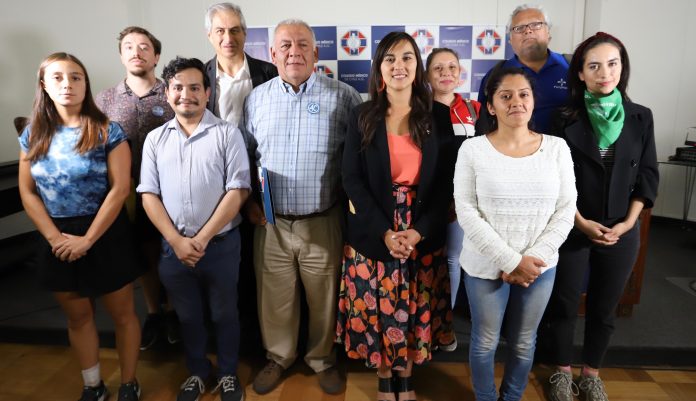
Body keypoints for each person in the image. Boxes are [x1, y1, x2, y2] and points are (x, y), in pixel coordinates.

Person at [241, 19, 362, 396]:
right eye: (286, 45)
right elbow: (245, 157)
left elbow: (356, 160)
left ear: (316, 52)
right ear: (272, 54)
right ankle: (278, 357)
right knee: (274, 298)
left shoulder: (344, 97)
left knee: (324, 298)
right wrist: (248, 204)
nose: (294, 51)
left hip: (322, 220)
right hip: (271, 222)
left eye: (302, 45)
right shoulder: (256, 98)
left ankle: (322, 359)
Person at [337, 31, 455, 401]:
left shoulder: (438, 115)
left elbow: (446, 184)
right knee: (380, 306)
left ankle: (405, 377)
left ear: (417, 66)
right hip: (375, 228)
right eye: (389, 59)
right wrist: (386, 232)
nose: (398, 66)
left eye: (406, 57)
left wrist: (418, 232)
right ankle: (385, 376)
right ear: (379, 68)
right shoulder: (362, 115)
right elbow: (351, 179)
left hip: (423, 228)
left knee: (413, 304)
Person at [18, 52, 142, 401]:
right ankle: (93, 386)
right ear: (44, 84)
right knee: (79, 317)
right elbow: (28, 192)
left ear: (85, 84)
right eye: (58, 77)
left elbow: (121, 188)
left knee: (122, 314)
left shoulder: (107, 129)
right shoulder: (33, 134)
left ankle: (129, 383)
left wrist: (88, 239)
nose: (67, 84)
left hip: (105, 232)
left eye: (75, 77)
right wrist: (54, 236)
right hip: (56, 236)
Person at [543, 32, 658, 401]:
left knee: (604, 308)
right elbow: (554, 178)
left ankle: (591, 372)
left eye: (612, 64)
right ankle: (561, 371)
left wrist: (627, 224)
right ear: (580, 73)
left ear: (622, 68)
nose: (604, 72)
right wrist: (577, 220)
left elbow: (648, 176)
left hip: (622, 228)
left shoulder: (641, 116)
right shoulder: (562, 118)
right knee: (563, 304)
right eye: (593, 65)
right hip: (571, 225)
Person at [454, 67, 576, 401]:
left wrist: (529, 261)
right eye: (505, 96)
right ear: (491, 106)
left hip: (540, 266)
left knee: (524, 340)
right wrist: (510, 260)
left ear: (533, 101)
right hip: (485, 266)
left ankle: (511, 397)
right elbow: (466, 210)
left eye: (523, 94)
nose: (516, 102)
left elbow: (565, 210)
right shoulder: (473, 150)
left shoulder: (557, 149)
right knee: (485, 341)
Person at [137, 57, 250, 401]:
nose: (186, 94)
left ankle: (228, 373)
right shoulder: (155, 140)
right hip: (174, 251)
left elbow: (239, 190)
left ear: (207, 92)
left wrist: (199, 239)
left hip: (220, 246)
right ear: (168, 93)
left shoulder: (227, 134)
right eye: (178, 88)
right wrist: (176, 241)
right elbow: (148, 195)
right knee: (188, 317)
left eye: (194, 87)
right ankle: (198, 372)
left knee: (225, 313)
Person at [95, 26, 178, 350]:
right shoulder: (105, 100)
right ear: (120, 55)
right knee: (141, 251)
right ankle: (155, 312)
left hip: (168, 188)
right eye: (129, 46)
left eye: (144, 47)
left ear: (156, 55)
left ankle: (173, 311)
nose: (136, 52)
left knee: (168, 250)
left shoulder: (172, 92)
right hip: (125, 189)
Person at [426, 47, 481, 316]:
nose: (445, 73)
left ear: (460, 73)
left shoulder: (474, 109)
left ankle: (452, 320)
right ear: (427, 75)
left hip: (466, 201)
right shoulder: (419, 111)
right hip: (430, 200)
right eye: (438, 68)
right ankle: (434, 322)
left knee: (457, 259)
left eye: (451, 68)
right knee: (435, 259)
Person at [477, 4, 568, 134]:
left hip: (564, 152)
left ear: (548, 32)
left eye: (536, 24)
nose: (528, 31)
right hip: (509, 152)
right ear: (510, 40)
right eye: (519, 28)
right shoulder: (496, 75)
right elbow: (483, 122)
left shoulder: (571, 68)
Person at [204, 2, 277, 126]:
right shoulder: (202, 75)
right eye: (220, 31)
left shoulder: (269, 73)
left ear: (244, 33)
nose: (228, 38)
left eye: (234, 30)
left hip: (259, 146)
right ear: (210, 36)